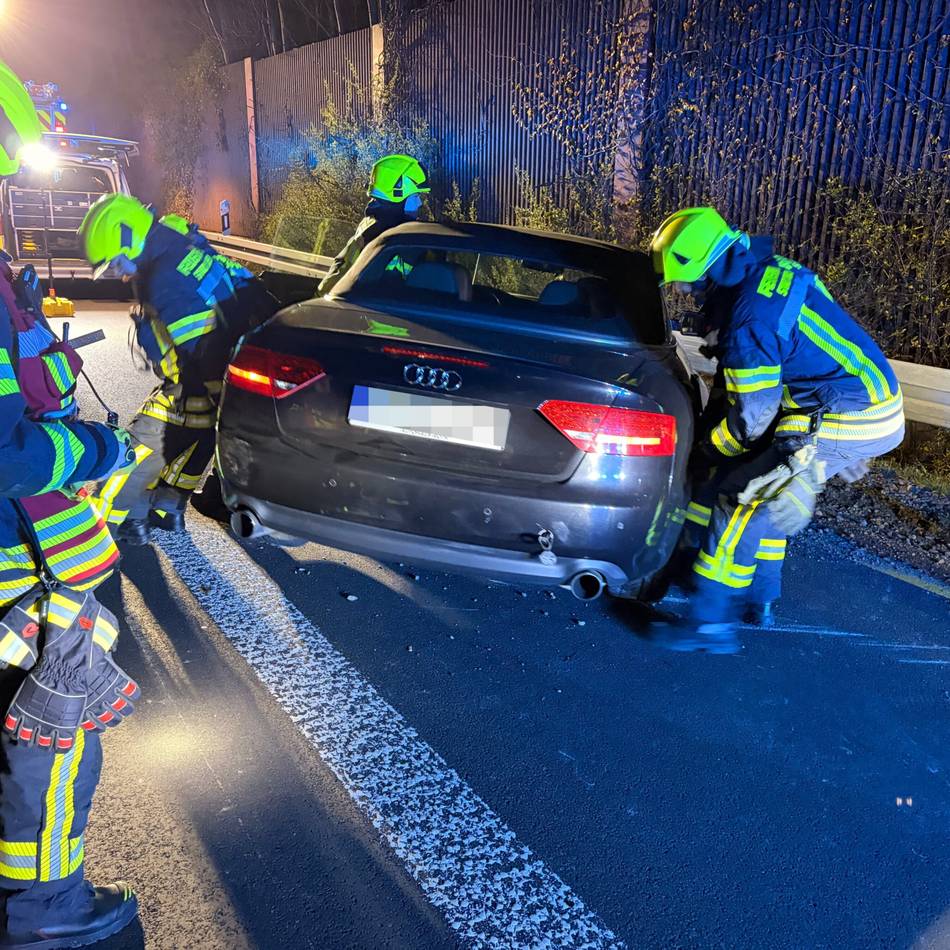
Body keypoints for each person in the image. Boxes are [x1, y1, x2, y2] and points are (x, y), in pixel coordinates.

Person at [0, 60, 141, 948]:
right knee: (51, 729)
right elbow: (8, 452)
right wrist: (97, 448)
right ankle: (47, 913)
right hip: (13, 567)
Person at [648, 207, 905, 653]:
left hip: (847, 414)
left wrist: (709, 447)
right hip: (856, 400)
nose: (685, 293)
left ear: (707, 272)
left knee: (742, 496)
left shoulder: (750, 322)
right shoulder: (773, 271)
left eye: (685, 283)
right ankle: (762, 599)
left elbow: (753, 418)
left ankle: (710, 623)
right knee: (769, 493)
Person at [78, 195, 279, 545]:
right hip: (228, 373)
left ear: (130, 239)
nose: (118, 274)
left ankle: (99, 525)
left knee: (141, 444)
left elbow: (197, 350)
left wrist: (204, 396)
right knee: (193, 440)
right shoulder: (179, 246)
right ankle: (168, 509)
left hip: (200, 380)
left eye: (115, 264)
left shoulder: (165, 280)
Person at [317, 153, 430, 296]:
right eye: (415, 196)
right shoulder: (383, 235)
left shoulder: (376, 226)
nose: (419, 203)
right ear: (396, 196)